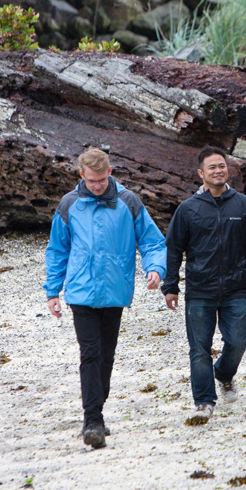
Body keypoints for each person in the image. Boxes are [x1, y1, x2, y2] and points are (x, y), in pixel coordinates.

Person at [44, 148, 167, 449]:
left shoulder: (128, 201)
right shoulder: (69, 204)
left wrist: (155, 268)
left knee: (106, 356)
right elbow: (57, 250)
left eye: (101, 180)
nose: (96, 186)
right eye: (91, 181)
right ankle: (93, 421)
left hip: (115, 291)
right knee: (90, 353)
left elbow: (152, 241)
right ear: (81, 175)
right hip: (80, 293)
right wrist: (52, 291)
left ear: (110, 172)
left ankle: (97, 409)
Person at [163, 146, 246, 421]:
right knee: (199, 348)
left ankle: (224, 373)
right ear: (201, 173)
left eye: (222, 166)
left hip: (236, 288)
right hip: (199, 291)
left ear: (228, 170)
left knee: (239, 339)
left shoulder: (244, 205)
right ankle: (203, 401)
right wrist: (170, 285)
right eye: (212, 167)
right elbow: (173, 249)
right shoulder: (187, 209)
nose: (218, 171)